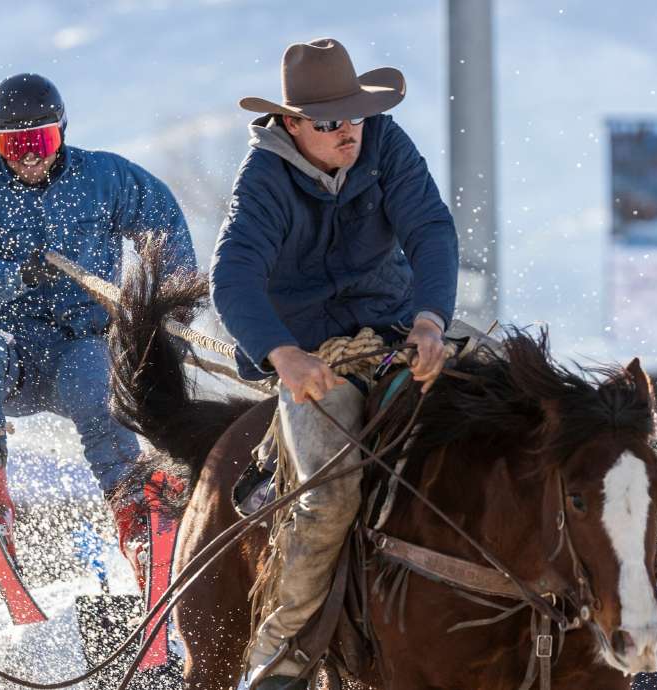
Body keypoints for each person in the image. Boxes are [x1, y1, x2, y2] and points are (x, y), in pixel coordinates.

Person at [210, 38, 459, 689]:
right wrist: (282, 353)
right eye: (328, 122)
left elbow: (430, 228)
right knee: (328, 493)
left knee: (502, 422)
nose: (347, 130)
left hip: (402, 333)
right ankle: (286, 649)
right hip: (314, 359)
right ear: (291, 125)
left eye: (353, 114)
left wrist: (432, 318)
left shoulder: (384, 142)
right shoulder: (262, 181)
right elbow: (234, 276)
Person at [0, 73, 196, 583]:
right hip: (15, 357)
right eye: (16, 145)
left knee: (96, 386)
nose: (30, 156)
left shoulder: (102, 178)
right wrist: (18, 275)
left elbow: (162, 223)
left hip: (81, 347)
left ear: (62, 133)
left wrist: (169, 307)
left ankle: (138, 521)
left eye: (42, 141)